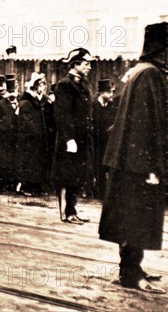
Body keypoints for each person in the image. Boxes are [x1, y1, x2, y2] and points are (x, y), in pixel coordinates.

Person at [99, 22, 168, 294]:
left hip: (131, 162)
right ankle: (131, 273)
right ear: (162, 49)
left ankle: (133, 268)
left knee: (134, 217)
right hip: (140, 165)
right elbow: (145, 124)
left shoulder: (141, 72)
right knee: (137, 218)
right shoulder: (150, 76)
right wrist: (151, 167)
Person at [51, 48, 95, 224]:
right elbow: (63, 114)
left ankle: (73, 210)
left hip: (82, 139)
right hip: (69, 140)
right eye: (86, 64)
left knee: (77, 175)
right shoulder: (64, 85)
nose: (89, 67)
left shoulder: (83, 85)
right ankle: (66, 213)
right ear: (75, 65)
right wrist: (69, 139)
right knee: (66, 175)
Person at [15, 72, 49, 197]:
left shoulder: (37, 101)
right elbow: (27, 121)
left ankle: (35, 186)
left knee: (36, 162)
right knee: (28, 161)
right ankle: (25, 186)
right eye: (41, 84)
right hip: (28, 138)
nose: (44, 87)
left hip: (36, 138)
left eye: (44, 84)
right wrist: (37, 133)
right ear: (35, 86)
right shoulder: (26, 102)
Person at [92, 79, 116, 199]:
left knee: (106, 166)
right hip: (96, 142)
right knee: (97, 165)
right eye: (109, 92)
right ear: (101, 92)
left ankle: (103, 191)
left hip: (107, 142)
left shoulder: (112, 106)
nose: (112, 95)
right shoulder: (94, 106)